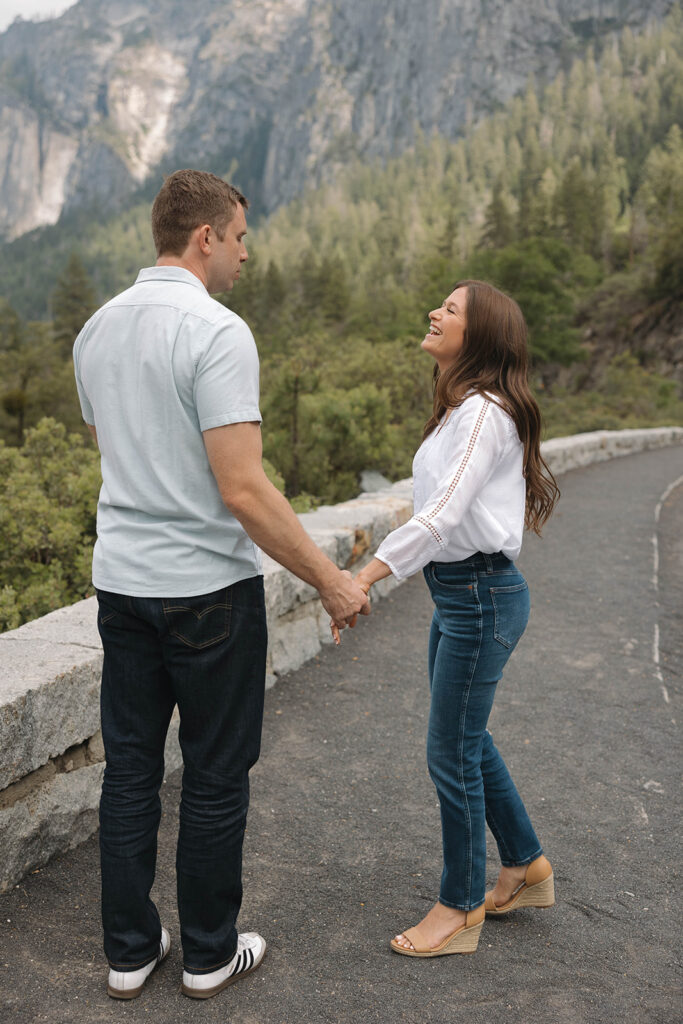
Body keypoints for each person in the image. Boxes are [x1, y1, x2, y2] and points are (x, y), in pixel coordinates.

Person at [73, 169, 369, 1000]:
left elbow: (110, 439)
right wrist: (332, 583)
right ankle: (207, 954)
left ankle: (129, 953)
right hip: (205, 591)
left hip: (122, 586)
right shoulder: (218, 330)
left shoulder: (95, 329)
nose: (245, 253)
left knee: (130, 770)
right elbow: (242, 488)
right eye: (239, 236)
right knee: (212, 774)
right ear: (205, 236)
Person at [340, 279, 559, 957]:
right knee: (467, 740)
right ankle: (524, 864)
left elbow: (442, 516)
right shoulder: (464, 408)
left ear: (480, 335)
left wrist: (365, 574)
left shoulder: (484, 415)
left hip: (478, 596)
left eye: (451, 309)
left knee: (451, 750)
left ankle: (458, 907)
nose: (434, 312)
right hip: (462, 595)